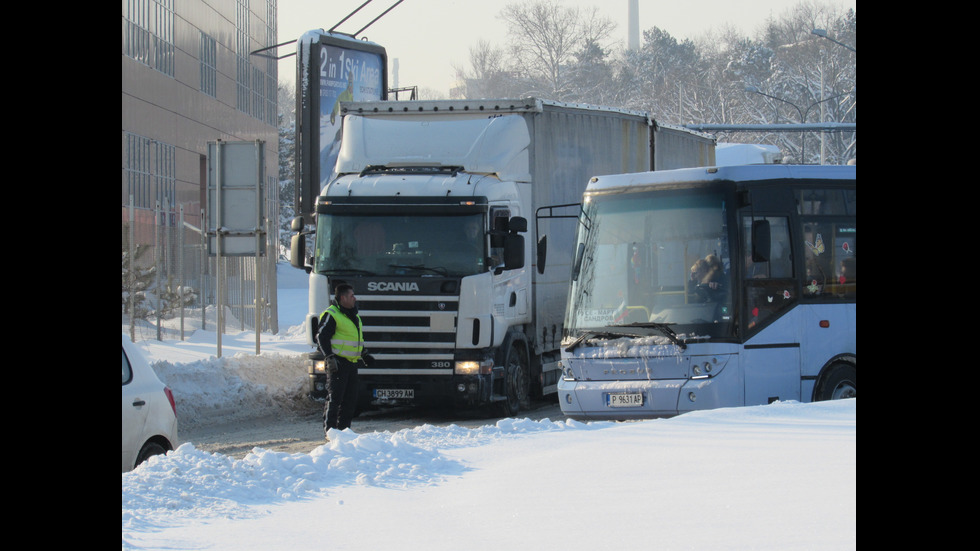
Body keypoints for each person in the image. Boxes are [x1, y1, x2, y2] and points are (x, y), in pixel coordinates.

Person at [316, 283, 371, 438]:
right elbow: (321, 336)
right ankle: (330, 433)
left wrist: (364, 354)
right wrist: (329, 357)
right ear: (342, 298)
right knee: (335, 399)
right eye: (351, 295)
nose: (355, 298)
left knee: (350, 400)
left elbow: (354, 339)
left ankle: (344, 433)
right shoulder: (332, 314)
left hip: (352, 363)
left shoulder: (353, 315)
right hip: (338, 363)